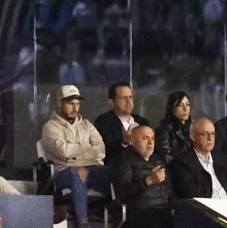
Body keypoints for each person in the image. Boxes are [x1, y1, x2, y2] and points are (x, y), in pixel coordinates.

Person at [41, 84, 109, 228]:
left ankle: (116, 212)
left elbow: (101, 150)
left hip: (92, 170)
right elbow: (64, 152)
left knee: (117, 171)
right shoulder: (50, 127)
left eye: (77, 104)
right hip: (63, 173)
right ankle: (82, 224)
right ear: (60, 103)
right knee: (76, 173)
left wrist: (76, 157)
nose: (75, 108)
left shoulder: (87, 125)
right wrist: (87, 150)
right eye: (70, 104)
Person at [111, 125, 172, 228]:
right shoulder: (125, 160)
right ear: (133, 141)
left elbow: (170, 190)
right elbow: (123, 194)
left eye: (152, 138)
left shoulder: (158, 160)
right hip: (141, 212)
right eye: (145, 138)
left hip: (164, 209)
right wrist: (148, 181)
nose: (150, 142)